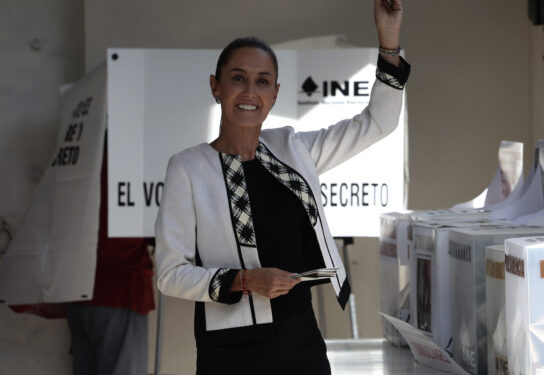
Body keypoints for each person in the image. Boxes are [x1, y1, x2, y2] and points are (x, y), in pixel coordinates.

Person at [154, 1, 409, 373]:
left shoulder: (293, 149)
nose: (250, 91)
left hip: (300, 339)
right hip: (228, 348)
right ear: (216, 86)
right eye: (238, 78)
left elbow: (378, 123)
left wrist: (388, 42)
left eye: (262, 81)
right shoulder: (188, 168)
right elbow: (168, 274)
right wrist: (244, 280)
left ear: (274, 93)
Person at [66, 140, 156, 375]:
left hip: (79, 293)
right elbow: (158, 231)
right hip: (120, 290)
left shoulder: (79, 164)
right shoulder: (133, 171)